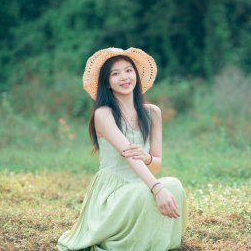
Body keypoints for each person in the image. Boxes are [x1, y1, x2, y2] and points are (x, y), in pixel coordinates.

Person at [57, 47, 187, 251]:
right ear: (107, 83)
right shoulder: (104, 114)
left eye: (128, 70)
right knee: (150, 192)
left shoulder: (152, 112)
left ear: (136, 74)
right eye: (115, 74)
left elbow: (157, 165)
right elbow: (129, 157)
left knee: (175, 186)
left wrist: (147, 158)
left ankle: (153, 242)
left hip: (141, 183)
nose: (124, 77)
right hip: (113, 193)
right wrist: (157, 188)